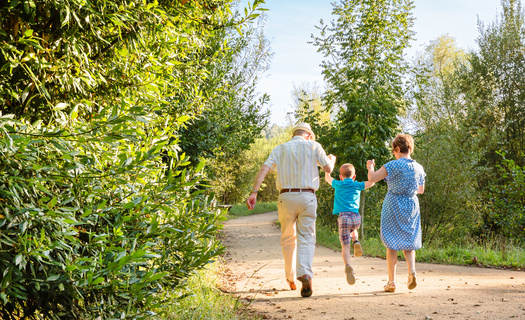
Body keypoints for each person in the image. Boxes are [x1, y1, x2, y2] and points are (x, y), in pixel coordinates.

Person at [246, 123, 334, 298]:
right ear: (308, 135)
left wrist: (254, 192)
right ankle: (306, 274)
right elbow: (328, 169)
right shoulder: (314, 146)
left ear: (294, 134)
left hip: (285, 197)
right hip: (308, 197)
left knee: (287, 238)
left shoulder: (280, 148)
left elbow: (264, 168)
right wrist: (332, 159)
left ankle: (291, 278)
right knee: (307, 237)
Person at [366, 134, 426, 293]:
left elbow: (372, 178)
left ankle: (391, 282)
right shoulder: (419, 167)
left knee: (391, 242)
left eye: (394, 151)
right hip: (412, 205)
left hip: (393, 204)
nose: (394, 154)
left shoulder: (393, 165)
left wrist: (370, 167)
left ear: (398, 149)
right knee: (409, 240)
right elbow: (421, 190)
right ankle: (411, 271)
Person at [324, 160, 375, 285]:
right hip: (356, 217)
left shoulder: (337, 184)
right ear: (354, 176)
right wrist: (370, 167)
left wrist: (330, 162)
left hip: (344, 217)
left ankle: (347, 265)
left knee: (345, 246)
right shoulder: (357, 185)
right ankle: (356, 241)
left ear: (341, 177)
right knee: (353, 229)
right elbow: (372, 182)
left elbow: (327, 177)